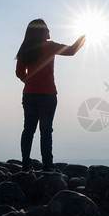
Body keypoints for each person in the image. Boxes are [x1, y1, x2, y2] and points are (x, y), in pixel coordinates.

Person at [16, 19, 85, 174]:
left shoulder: (25, 49)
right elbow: (72, 50)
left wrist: (30, 81)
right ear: (42, 31)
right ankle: (48, 166)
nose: (49, 31)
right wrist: (83, 36)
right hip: (47, 95)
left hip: (29, 95)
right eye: (47, 28)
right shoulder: (50, 46)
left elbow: (19, 72)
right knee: (46, 131)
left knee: (28, 130)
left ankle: (25, 166)